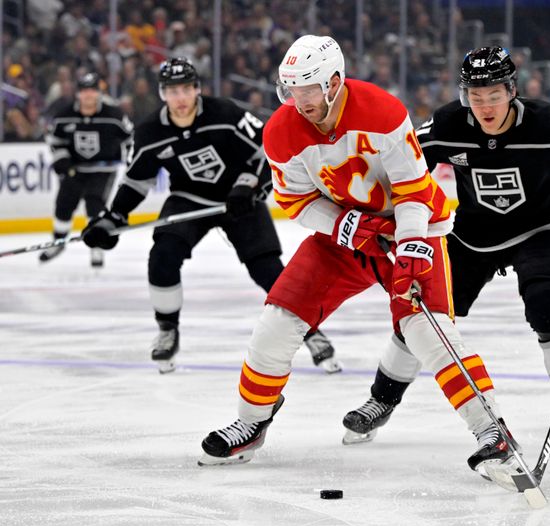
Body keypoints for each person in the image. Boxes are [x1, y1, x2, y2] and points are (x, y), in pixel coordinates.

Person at [198, 36, 523, 488]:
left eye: (309, 89)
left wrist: (410, 246)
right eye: (292, 90)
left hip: (412, 228)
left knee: (428, 332)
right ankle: (252, 423)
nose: (301, 101)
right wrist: (348, 227)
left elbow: (412, 189)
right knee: (277, 320)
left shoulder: (381, 111)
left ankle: (493, 431)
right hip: (343, 239)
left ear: (334, 81)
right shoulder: (280, 130)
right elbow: (295, 200)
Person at [342, 47, 550, 457]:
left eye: (494, 95)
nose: (484, 106)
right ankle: (382, 398)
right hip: (472, 236)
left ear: (512, 90)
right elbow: (405, 168)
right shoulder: (450, 123)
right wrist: (387, 219)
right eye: (475, 95)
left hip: (541, 231)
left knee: (546, 305)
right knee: (422, 313)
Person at [81, 57, 339, 375]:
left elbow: (268, 147)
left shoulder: (226, 113)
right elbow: (137, 180)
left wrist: (248, 185)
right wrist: (113, 216)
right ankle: (167, 330)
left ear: (197, 89)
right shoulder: (150, 131)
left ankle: (312, 332)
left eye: (186, 89)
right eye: (172, 91)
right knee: (162, 255)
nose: (180, 98)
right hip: (190, 199)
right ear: (163, 93)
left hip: (239, 198)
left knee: (267, 270)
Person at [40, 72, 132, 267]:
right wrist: (62, 160)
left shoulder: (114, 116)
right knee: (64, 204)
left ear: (99, 93)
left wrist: (132, 160)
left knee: (94, 205)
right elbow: (54, 140)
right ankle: (59, 242)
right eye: (84, 91)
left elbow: (131, 138)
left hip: (103, 170)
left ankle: (96, 247)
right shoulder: (64, 116)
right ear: (78, 94)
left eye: (93, 91)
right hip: (75, 169)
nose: (89, 95)